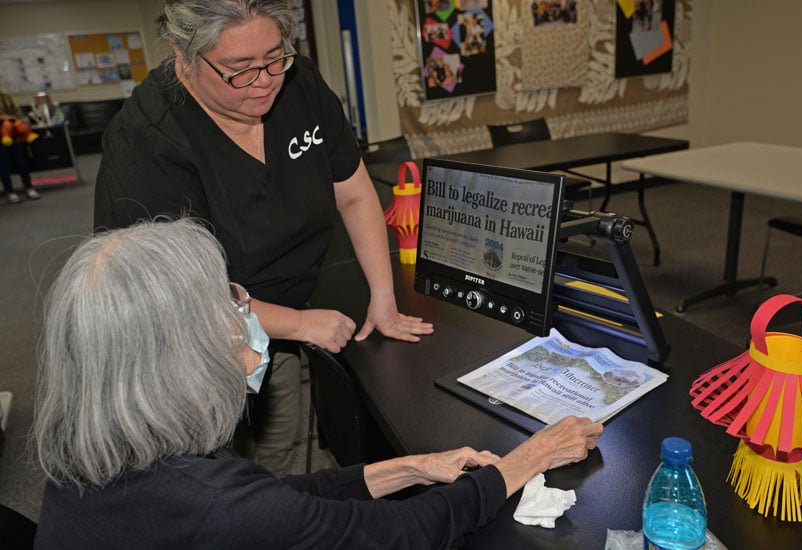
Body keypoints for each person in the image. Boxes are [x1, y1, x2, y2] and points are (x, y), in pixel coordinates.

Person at [33, 219, 603, 547]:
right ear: (178, 362)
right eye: (230, 312)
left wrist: (407, 467)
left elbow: (277, 505)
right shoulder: (218, 504)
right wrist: (524, 461)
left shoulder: (89, 457)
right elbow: (398, 536)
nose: (246, 321)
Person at [93, 0, 432, 476]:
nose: (265, 80)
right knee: (206, 475)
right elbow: (171, 300)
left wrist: (383, 297)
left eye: (275, 57)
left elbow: (354, 194)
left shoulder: (301, 85)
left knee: (275, 457)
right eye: (239, 69)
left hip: (276, 319)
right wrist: (298, 324)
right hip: (186, 343)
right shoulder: (146, 142)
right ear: (182, 56)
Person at [0, 87, 40, 204]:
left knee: (22, 163)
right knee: (4, 166)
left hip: (15, 136)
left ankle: (29, 188)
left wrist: (16, 119)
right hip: (1, 138)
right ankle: (10, 192)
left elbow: (17, 112)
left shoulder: (4, 94)